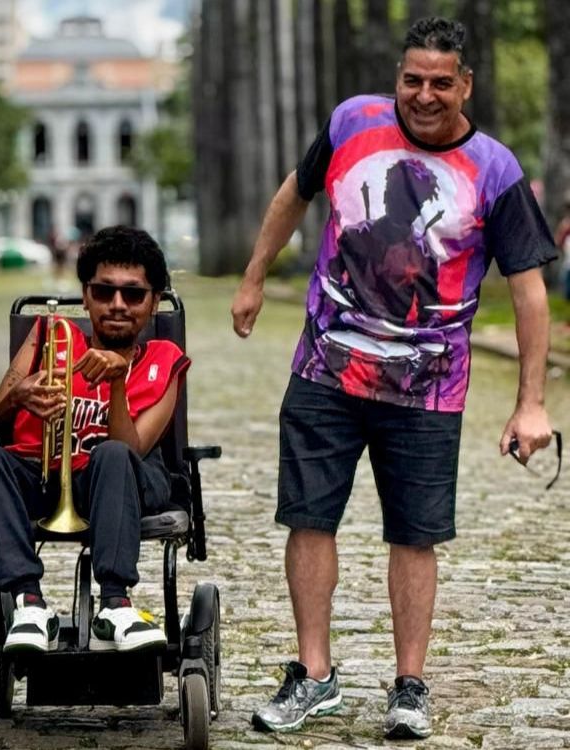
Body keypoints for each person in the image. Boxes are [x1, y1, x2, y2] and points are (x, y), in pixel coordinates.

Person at [230, 17, 556, 741]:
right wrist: (253, 277)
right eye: (413, 79)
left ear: (466, 85)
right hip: (326, 367)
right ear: (397, 79)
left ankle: (409, 686)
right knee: (308, 517)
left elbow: (529, 291)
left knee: (415, 534)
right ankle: (314, 674)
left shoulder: (494, 169)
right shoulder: (353, 121)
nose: (425, 95)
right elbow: (294, 192)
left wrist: (531, 403)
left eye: (441, 82)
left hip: (427, 389)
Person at [0, 225, 189, 653]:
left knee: (112, 454)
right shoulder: (48, 337)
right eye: (104, 291)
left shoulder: (166, 360)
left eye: (134, 294)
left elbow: (133, 450)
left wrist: (118, 383)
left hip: (123, 482)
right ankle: (29, 603)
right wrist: (16, 397)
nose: (118, 304)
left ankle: (115, 604)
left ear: (154, 301)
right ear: (86, 296)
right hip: (43, 477)